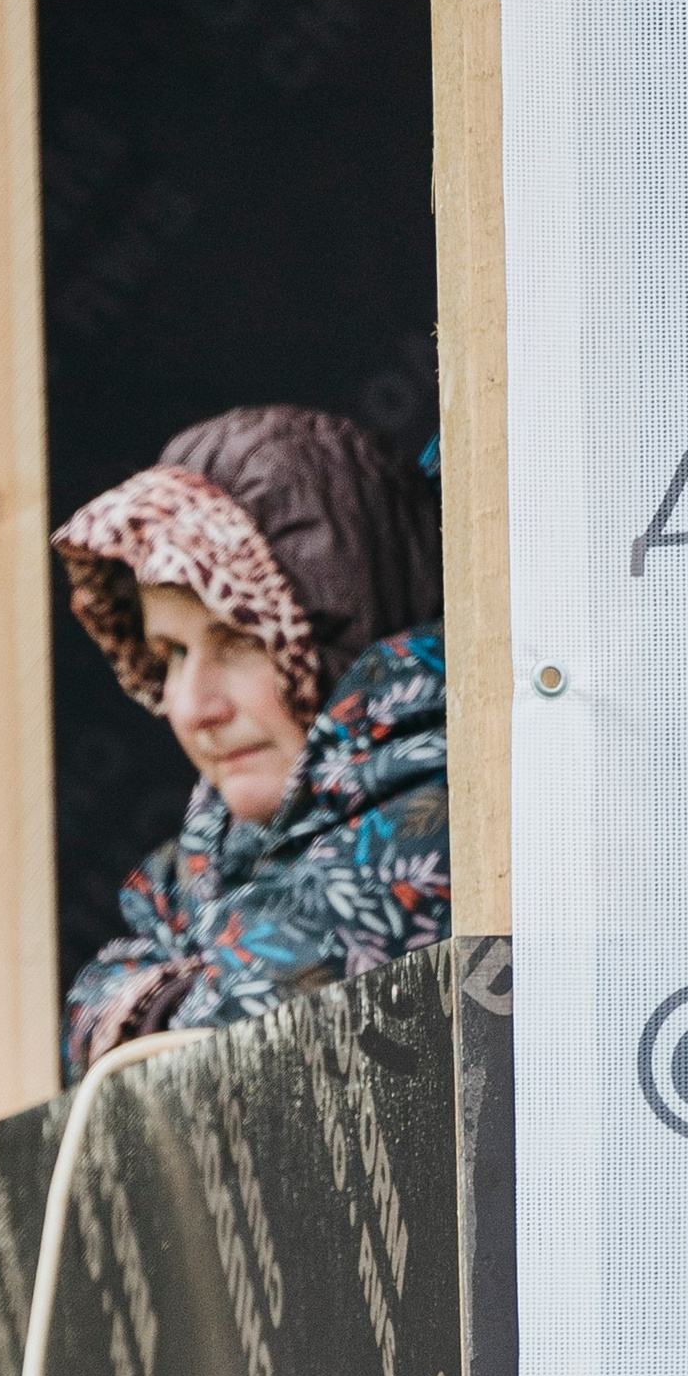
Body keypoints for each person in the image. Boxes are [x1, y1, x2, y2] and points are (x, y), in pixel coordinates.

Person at [53, 403, 448, 1075]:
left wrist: (162, 995)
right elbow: (92, 1002)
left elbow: (245, 1007)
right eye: (171, 653)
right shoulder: (203, 860)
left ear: (340, 634)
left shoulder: (453, 812)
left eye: (237, 639)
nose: (191, 706)